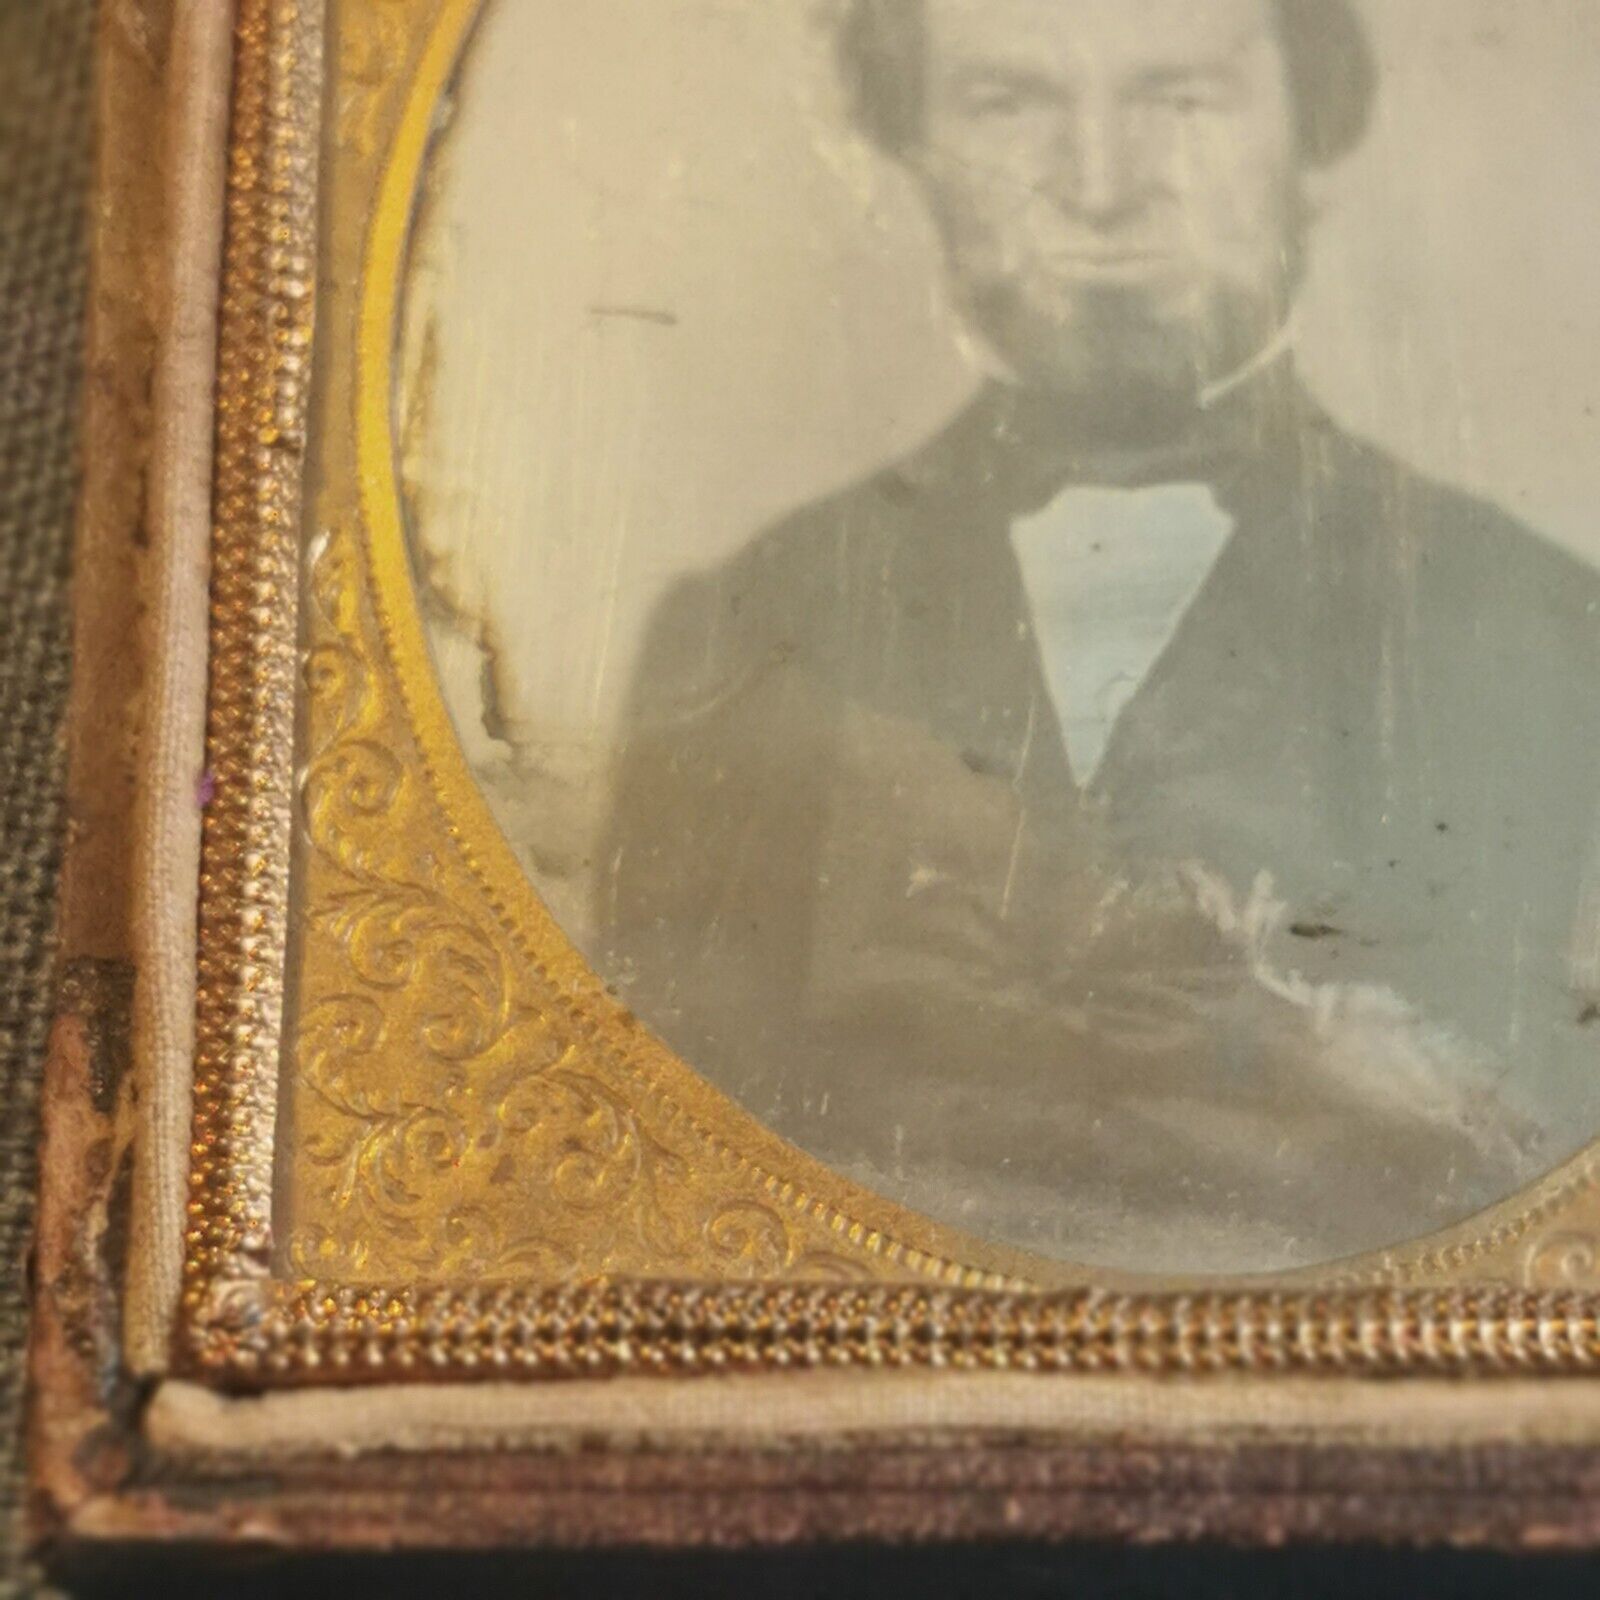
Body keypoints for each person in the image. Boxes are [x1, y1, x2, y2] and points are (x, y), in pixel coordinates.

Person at [595, 0, 1600, 1273]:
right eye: (1008, 103)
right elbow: (660, 1183)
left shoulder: (1545, 632)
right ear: (909, 140)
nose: (1102, 186)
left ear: (1312, 122)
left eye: (1181, 98)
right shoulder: (745, 629)